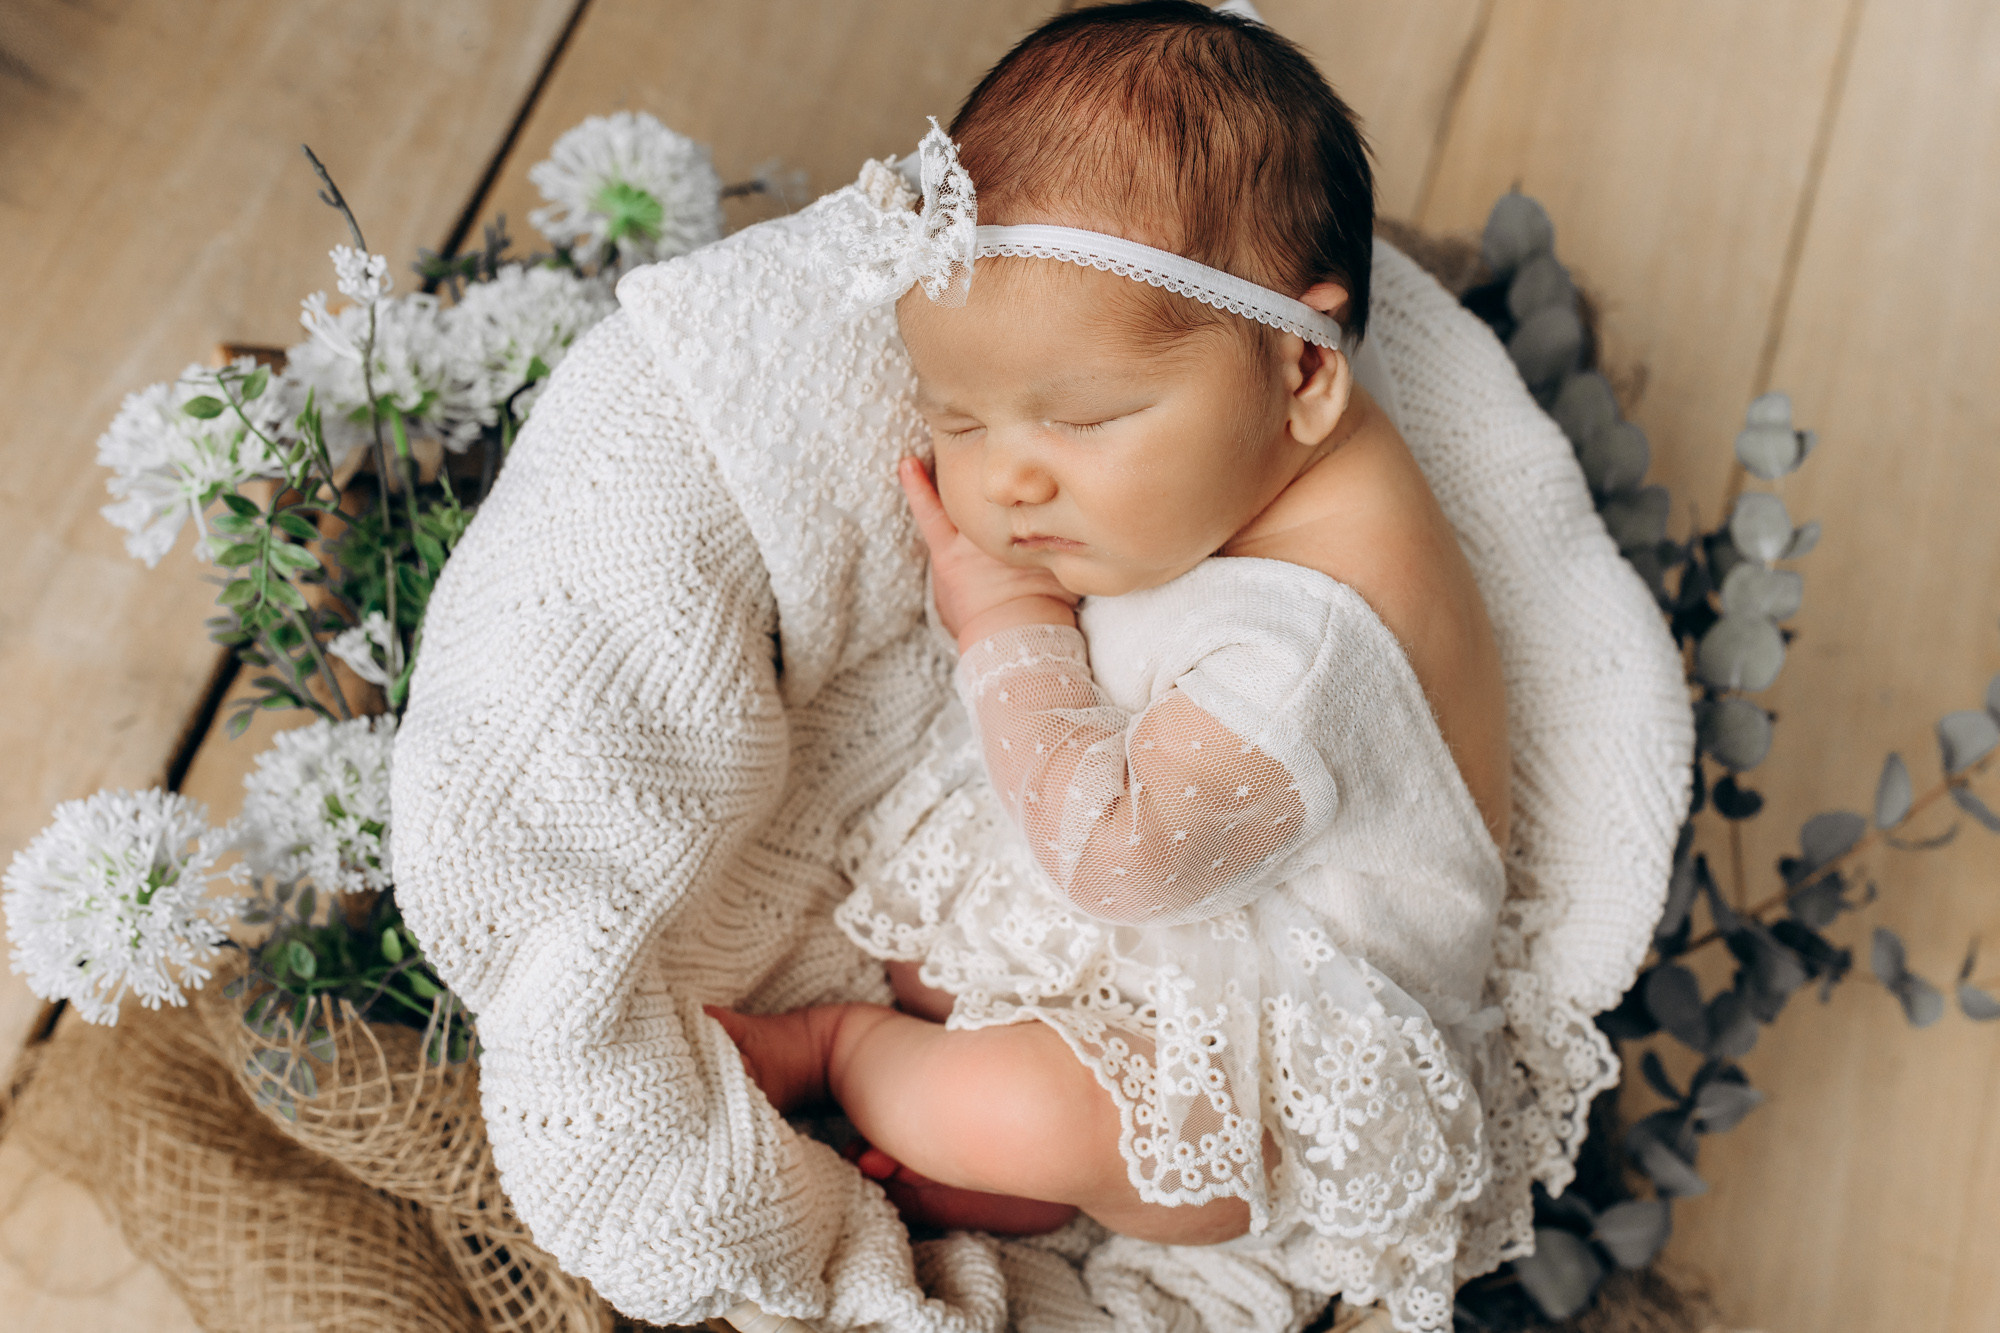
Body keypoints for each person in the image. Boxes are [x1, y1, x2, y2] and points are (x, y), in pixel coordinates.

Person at [712, 2, 1512, 1316]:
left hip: (1287, 1072)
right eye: (958, 416)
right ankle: (987, 1146)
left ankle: (846, 1052)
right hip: (1202, 896)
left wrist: (1007, 622)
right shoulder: (1254, 442)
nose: (1006, 478)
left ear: (1306, 363)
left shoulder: (1309, 651)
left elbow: (1117, 857)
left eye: (1082, 417)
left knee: (1030, 1104)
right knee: (956, 961)